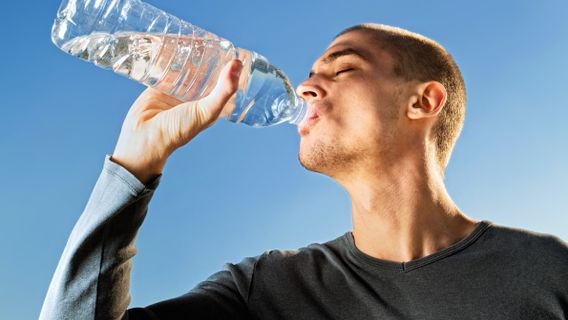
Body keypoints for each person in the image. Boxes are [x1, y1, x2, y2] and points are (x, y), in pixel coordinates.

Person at [40, 23, 567, 320]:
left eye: (343, 68)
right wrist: (134, 164)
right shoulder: (267, 290)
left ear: (422, 102)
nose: (307, 88)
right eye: (310, 76)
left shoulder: (546, 270)